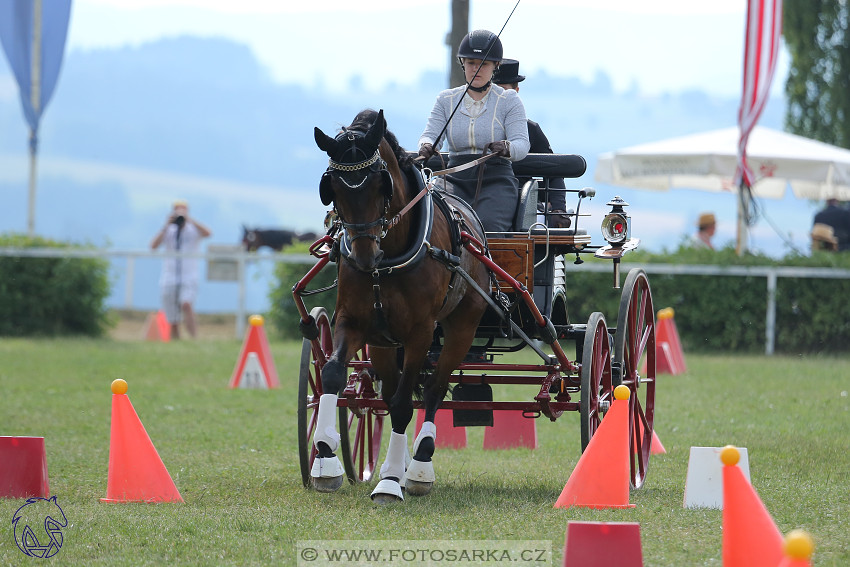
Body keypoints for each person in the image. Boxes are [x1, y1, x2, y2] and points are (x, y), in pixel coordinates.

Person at [418, 29, 530, 232]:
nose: (476, 69)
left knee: (488, 226)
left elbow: (522, 144)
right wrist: (426, 146)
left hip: (496, 179)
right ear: (463, 63)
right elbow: (430, 135)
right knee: (436, 223)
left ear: (495, 66)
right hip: (453, 179)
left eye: (484, 63)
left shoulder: (509, 100)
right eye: (471, 63)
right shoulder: (446, 100)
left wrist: (506, 147)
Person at [492, 58, 570, 228]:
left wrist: (558, 208)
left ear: (516, 91)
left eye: (504, 92)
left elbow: (553, 169)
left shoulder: (531, 130)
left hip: (522, 203)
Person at [150, 200, 212, 339]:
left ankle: (194, 338)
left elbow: (208, 233)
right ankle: (176, 342)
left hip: (189, 276)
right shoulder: (168, 230)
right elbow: (153, 246)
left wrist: (189, 220)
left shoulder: (193, 229)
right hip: (169, 276)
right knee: (173, 317)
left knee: (186, 304)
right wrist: (166, 226)